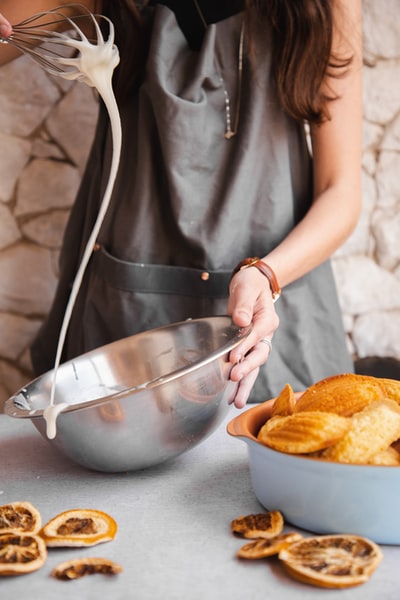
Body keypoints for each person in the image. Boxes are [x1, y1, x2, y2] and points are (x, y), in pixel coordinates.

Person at [0, 0, 362, 407]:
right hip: (125, 309)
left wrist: (267, 275)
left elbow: (341, 191)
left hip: (279, 299)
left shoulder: (325, 6)